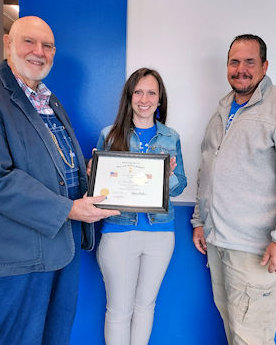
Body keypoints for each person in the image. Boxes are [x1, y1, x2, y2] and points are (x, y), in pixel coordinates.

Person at [0, 16, 119, 345]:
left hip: (58, 250)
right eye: (29, 41)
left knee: (53, 339)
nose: (39, 51)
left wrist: (84, 171)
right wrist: (69, 209)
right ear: (7, 43)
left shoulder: (47, 100)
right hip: (13, 257)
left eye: (48, 45)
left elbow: (50, 162)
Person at [191, 34, 276, 345]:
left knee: (253, 339)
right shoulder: (223, 109)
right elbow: (208, 170)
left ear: (264, 66)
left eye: (250, 61)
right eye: (234, 61)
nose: (241, 68)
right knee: (235, 333)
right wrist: (199, 220)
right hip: (219, 243)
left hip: (257, 251)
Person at [94, 68, 187, 345]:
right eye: (138, 91)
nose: (144, 98)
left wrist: (165, 179)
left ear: (160, 99)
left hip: (161, 233)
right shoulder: (109, 135)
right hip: (119, 231)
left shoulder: (171, 137)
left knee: (146, 306)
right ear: (129, 96)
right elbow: (99, 189)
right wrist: (94, 176)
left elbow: (181, 184)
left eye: (151, 92)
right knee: (119, 310)